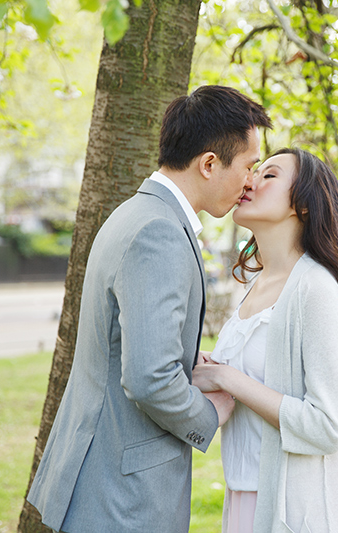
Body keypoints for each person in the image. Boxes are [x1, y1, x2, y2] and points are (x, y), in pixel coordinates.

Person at [26, 85, 272, 533]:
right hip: (120, 498)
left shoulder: (137, 215)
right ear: (210, 163)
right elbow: (148, 378)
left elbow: (125, 347)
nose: (251, 182)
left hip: (105, 481)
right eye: (249, 166)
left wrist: (185, 359)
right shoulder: (158, 233)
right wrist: (207, 414)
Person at [193, 148, 338, 532]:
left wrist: (228, 379)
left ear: (304, 205)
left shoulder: (313, 287)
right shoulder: (253, 285)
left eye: (269, 176)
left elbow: (328, 427)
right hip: (244, 497)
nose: (250, 181)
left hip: (294, 507)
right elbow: (260, 375)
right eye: (254, 172)